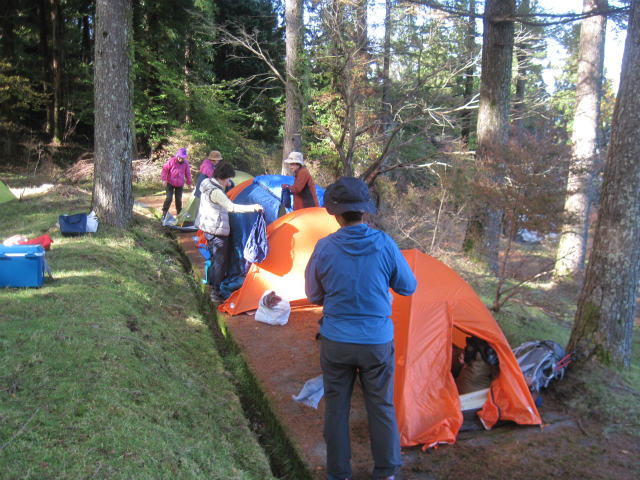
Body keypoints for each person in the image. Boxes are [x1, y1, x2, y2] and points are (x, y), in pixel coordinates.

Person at [304, 177, 417, 480]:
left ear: (335, 214)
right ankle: (387, 471)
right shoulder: (384, 244)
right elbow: (408, 286)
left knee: (336, 407)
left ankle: (338, 473)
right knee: (381, 406)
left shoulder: (324, 248)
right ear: (365, 212)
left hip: (336, 341)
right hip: (377, 343)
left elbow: (314, 295)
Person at [197, 161, 263, 303]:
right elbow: (231, 208)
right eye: (228, 179)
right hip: (217, 229)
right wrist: (253, 208)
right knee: (220, 261)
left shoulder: (207, 184)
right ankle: (216, 292)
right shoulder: (216, 192)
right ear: (222, 177)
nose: (229, 182)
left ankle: (213, 285)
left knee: (215, 259)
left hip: (208, 227)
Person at [161, 147, 193, 220]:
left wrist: (189, 183)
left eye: (183, 158)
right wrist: (164, 179)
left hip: (180, 184)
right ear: (177, 156)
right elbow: (165, 170)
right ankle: (164, 212)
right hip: (170, 183)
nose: (181, 159)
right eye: (180, 157)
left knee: (178, 199)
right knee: (169, 198)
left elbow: (188, 174)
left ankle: (179, 214)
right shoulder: (171, 161)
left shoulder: (186, 164)